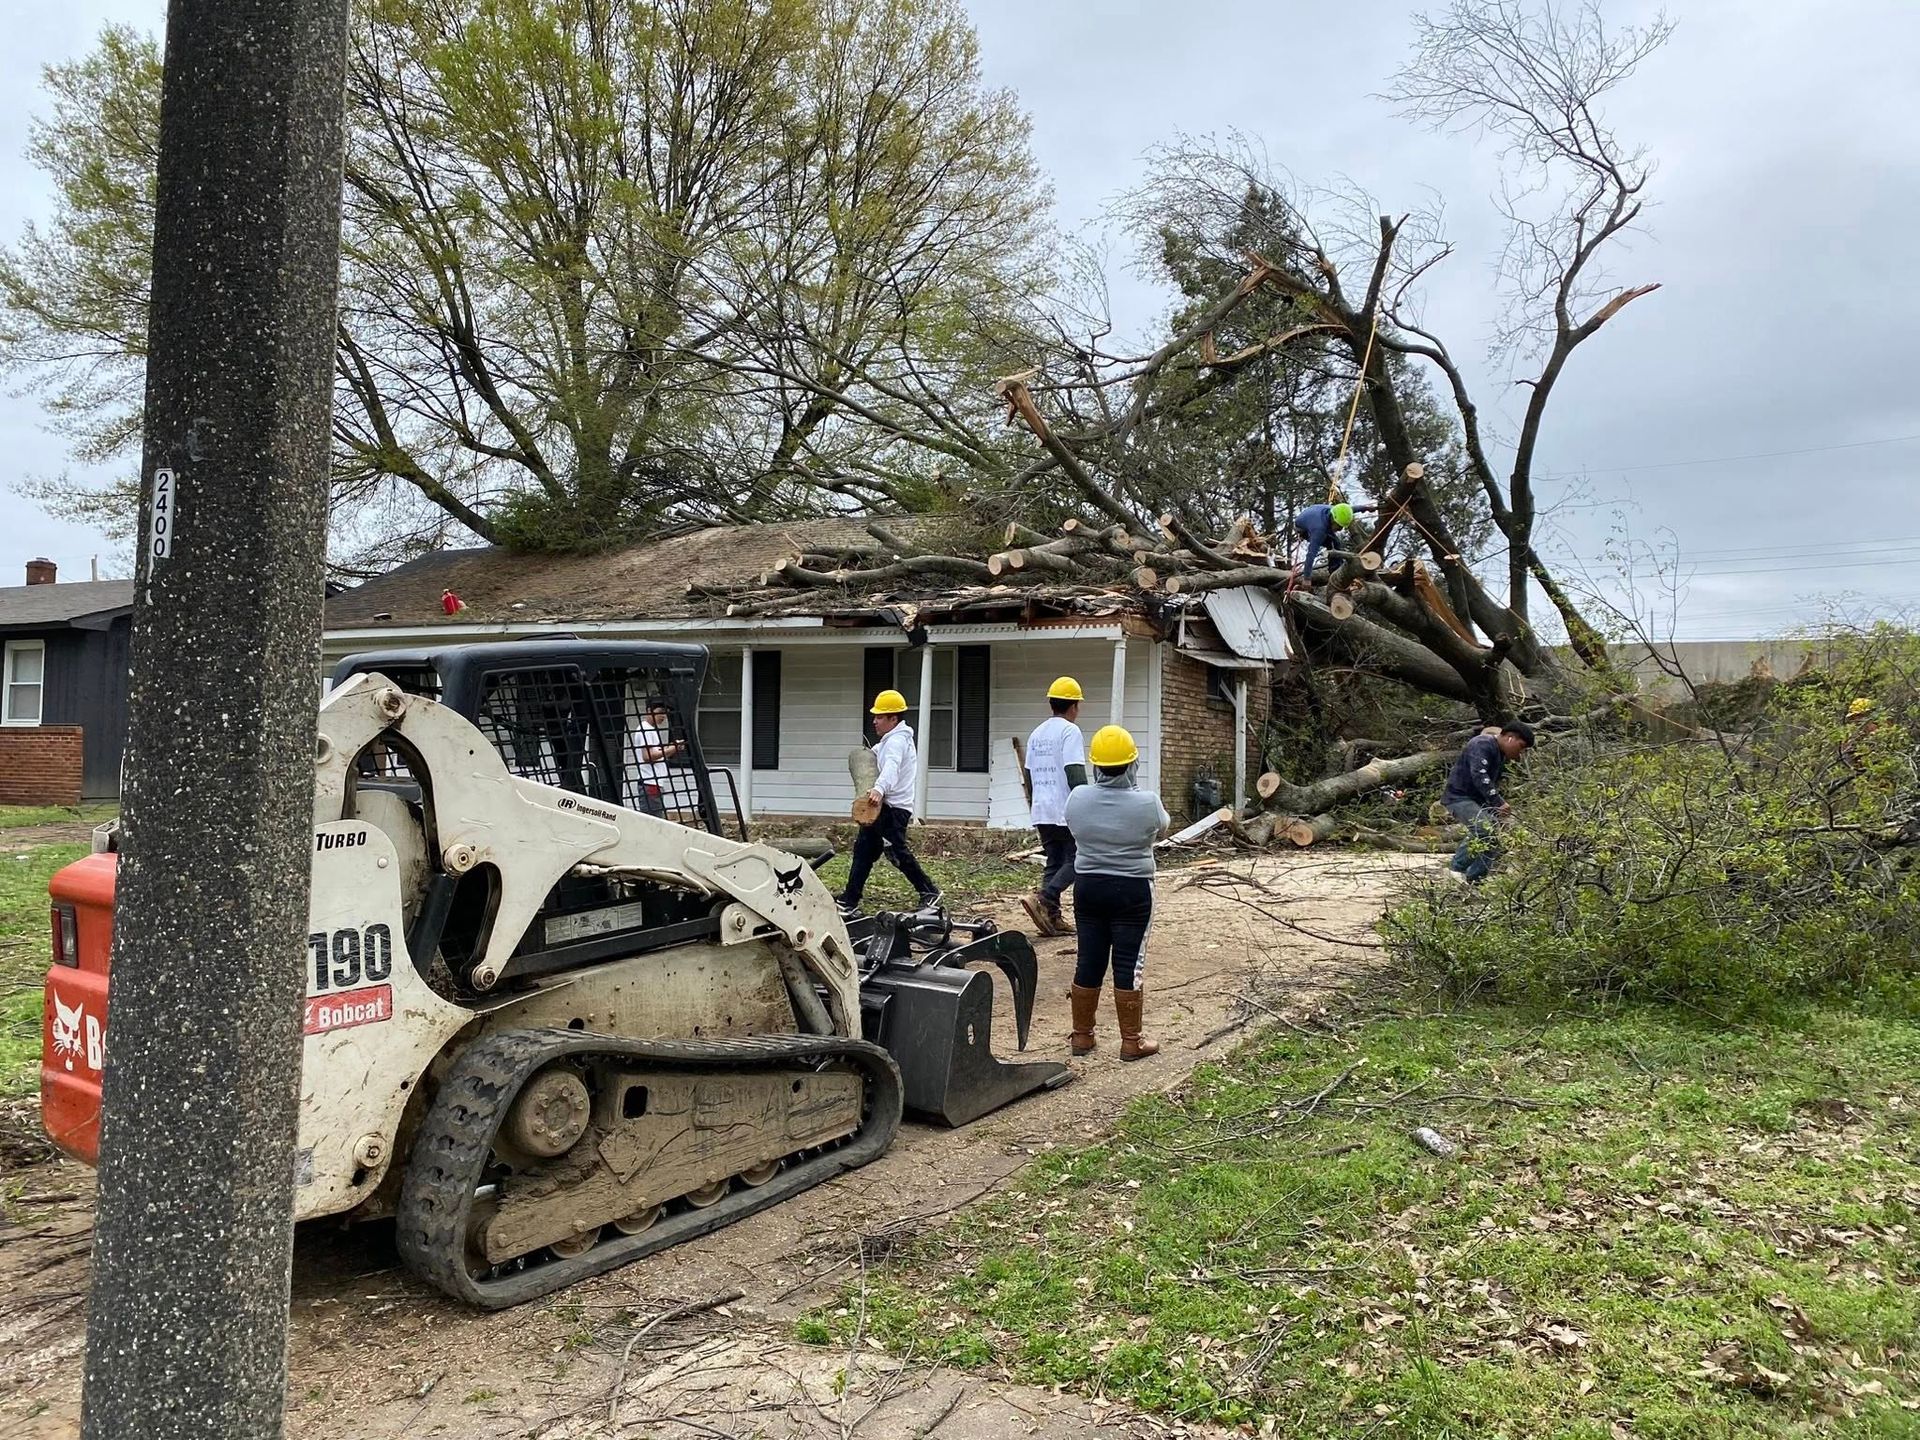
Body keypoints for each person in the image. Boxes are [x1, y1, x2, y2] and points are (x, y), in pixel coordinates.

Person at [1065, 725, 1169, 1060]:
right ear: (1132, 764)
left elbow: (1073, 826)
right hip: (1133, 889)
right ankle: (1131, 1041)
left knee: (1089, 958)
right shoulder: (1147, 802)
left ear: (1095, 766)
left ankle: (1082, 1036)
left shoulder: (1078, 797)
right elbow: (1162, 826)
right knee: (1128, 961)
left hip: (1088, 886)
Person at [838, 688, 942, 917]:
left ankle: (930, 893)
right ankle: (850, 899)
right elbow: (872, 758)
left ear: (893, 718)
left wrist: (879, 789)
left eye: (879, 717)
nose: (874, 721)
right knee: (863, 851)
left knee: (897, 853)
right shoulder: (889, 741)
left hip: (893, 810)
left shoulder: (896, 742)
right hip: (884, 808)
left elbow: (892, 768)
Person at [1020, 677, 1089, 937]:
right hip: (1064, 808)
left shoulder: (1037, 732)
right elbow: (1075, 773)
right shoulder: (1070, 731)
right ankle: (1044, 897)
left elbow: (1028, 775)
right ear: (1073, 707)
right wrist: (1084, 804)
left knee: (1054, 861)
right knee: (1078, 859)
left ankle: (1052, 918)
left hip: (1042, 807)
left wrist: (1036, 802)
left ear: (1052, 703)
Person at [1442, 720, 1535, 882]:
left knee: (1494, 839)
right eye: (1521, 747)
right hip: (1459, 797)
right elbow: (1480, 775)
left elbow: (1492, 783)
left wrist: (1496, 809)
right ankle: (1455, 870)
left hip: (1477, 800)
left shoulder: (1499, 754)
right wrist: (1498, 802)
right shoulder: (1482, 744)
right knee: (1484, 830)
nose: (1521, 754)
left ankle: (1474, 879)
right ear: (1510, 738)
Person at [627, 697, 685, 816]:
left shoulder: (650, 730)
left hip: (653, 783)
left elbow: (655, 752)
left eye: (665, 713)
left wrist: (671, 748)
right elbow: (648, 756)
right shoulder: (646, 729)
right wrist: (673, 748)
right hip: (650, 783)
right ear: (649, 711)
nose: (663, 716)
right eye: (660, 712)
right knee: (654, 821)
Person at [1291, 500, 1371, 584]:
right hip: (1302, 528)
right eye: (1339, 526)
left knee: (1336, 543)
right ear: (1333, 519)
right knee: (1333, 544)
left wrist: (1366, 508)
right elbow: (1311, 554)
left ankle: (1337, 569)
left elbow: (1351, 509)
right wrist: (1307, 578)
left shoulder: (1337, 511)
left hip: (1314, 513)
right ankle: (1334, 573)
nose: (1340, 529)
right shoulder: (1319, 530)